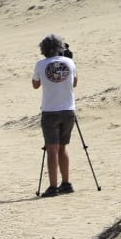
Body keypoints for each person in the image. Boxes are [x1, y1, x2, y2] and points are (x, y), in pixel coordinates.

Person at [32, 33, 77, 196]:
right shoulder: (70, 62)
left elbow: (35, 85)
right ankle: (66, 183)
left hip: (50, 111)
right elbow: (75, 83)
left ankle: (53, 186)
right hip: (68, 110)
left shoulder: (40, 64)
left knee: (52, 149)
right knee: (63, 148)